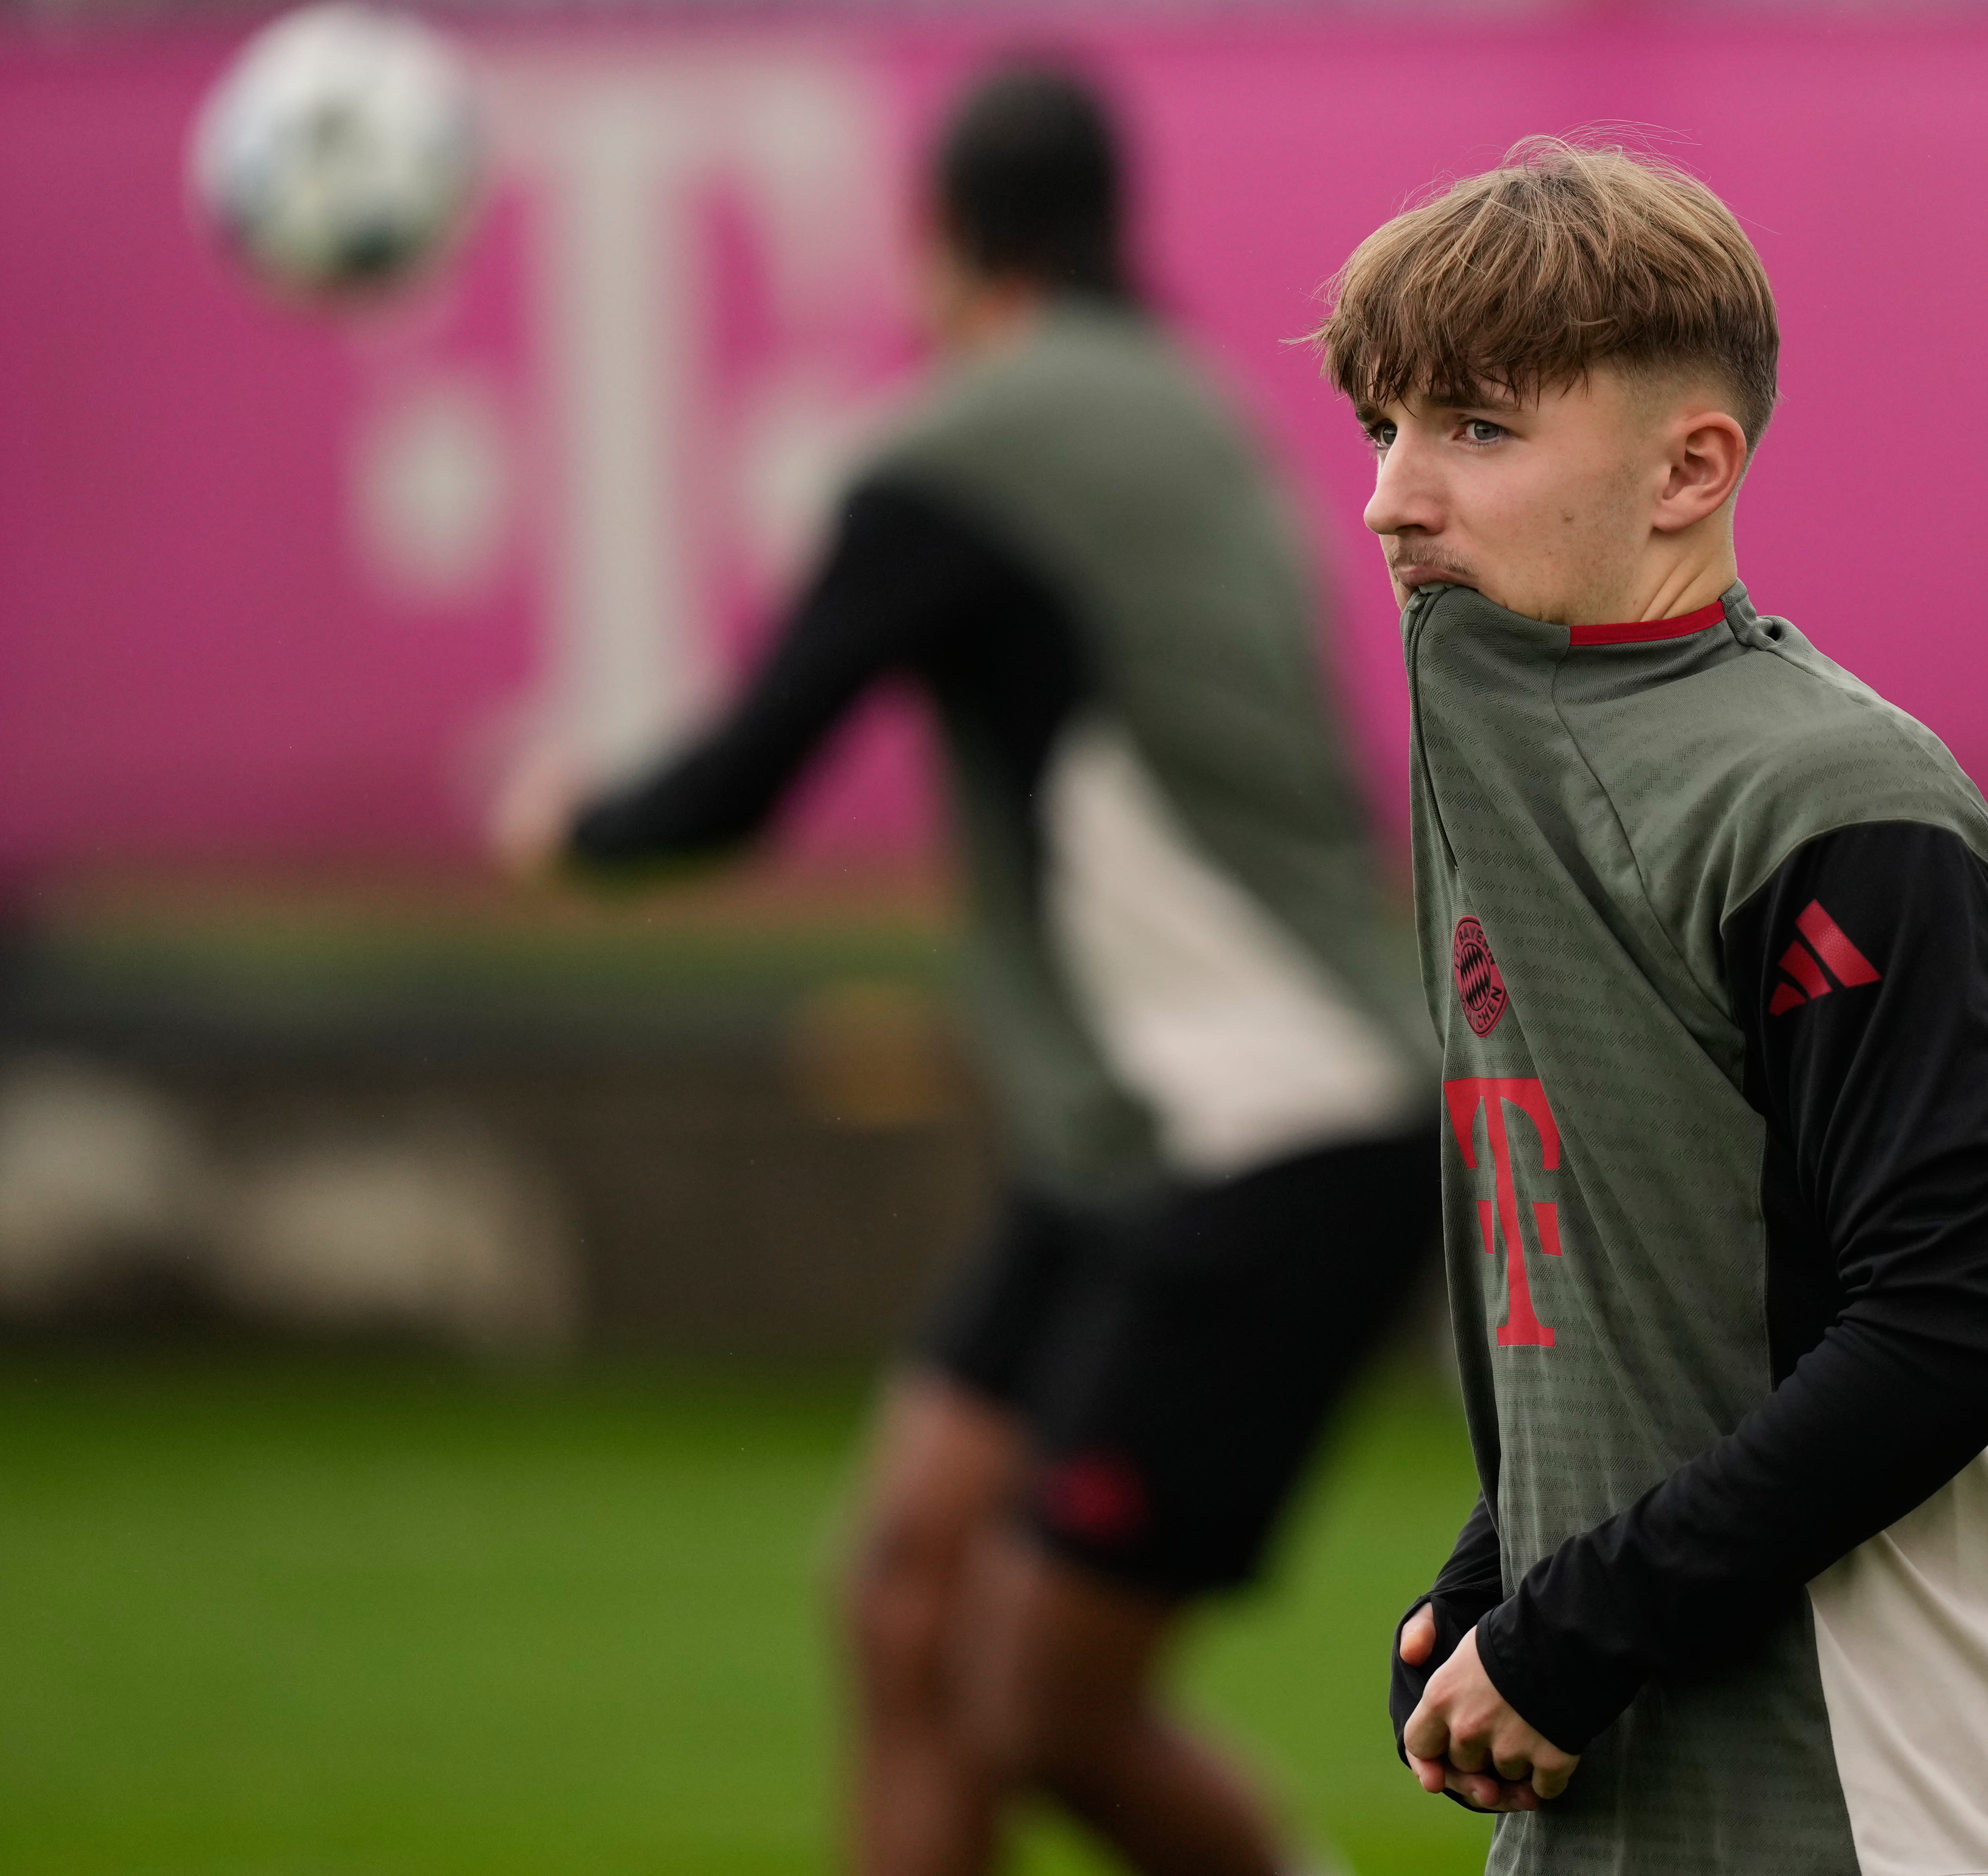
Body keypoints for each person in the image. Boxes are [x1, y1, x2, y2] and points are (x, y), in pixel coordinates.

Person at [497, 65, 1436, 1876]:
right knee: (905, 1601)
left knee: (1039, 1704)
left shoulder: (957, 457)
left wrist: (570, 828)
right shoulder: (1193, 415)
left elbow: (735, 789)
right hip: (1146, 1138)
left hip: (1267, 1134)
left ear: (937, 240)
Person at [1312, 140, 1988, 1875]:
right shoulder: (1507, 743)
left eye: (1476, 428)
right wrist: (1502, 1580)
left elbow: (1946, 1322)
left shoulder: (1840, 803)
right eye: (1382, 428)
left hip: (1899, 1807)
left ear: (1691, 467)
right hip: (1627, 1773)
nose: (1394, 497)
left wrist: (1580, 1627)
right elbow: (1675, 1294)